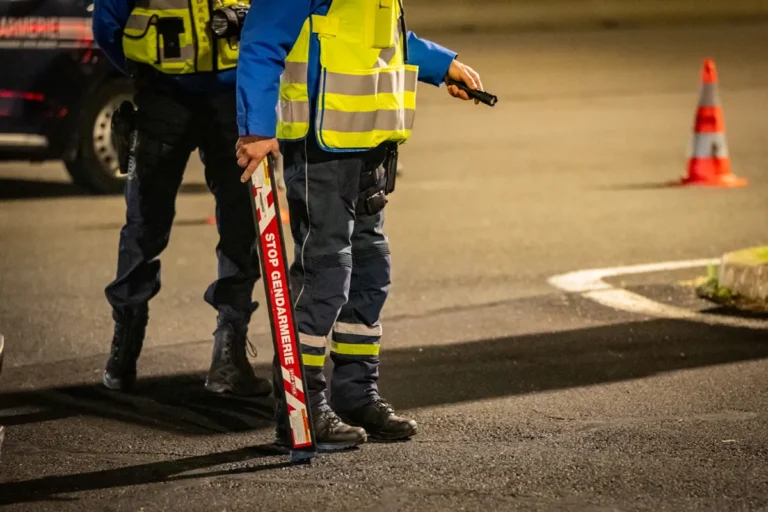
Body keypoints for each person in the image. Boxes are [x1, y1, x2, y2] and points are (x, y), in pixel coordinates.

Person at [235, 0, 484, 449]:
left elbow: (379, 44)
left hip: (367, 144)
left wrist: (443, 65)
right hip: (321, 146)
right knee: (325, 274)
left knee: (371, 270)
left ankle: (356, 395)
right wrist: (256, 128)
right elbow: (262, 39)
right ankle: (300, 407)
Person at [92, 0, 272, 396]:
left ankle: (223, 354)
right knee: (148, 224)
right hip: (168, 95)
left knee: (235, 226)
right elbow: (108, 26)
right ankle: (129, 346)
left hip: (227, 96)